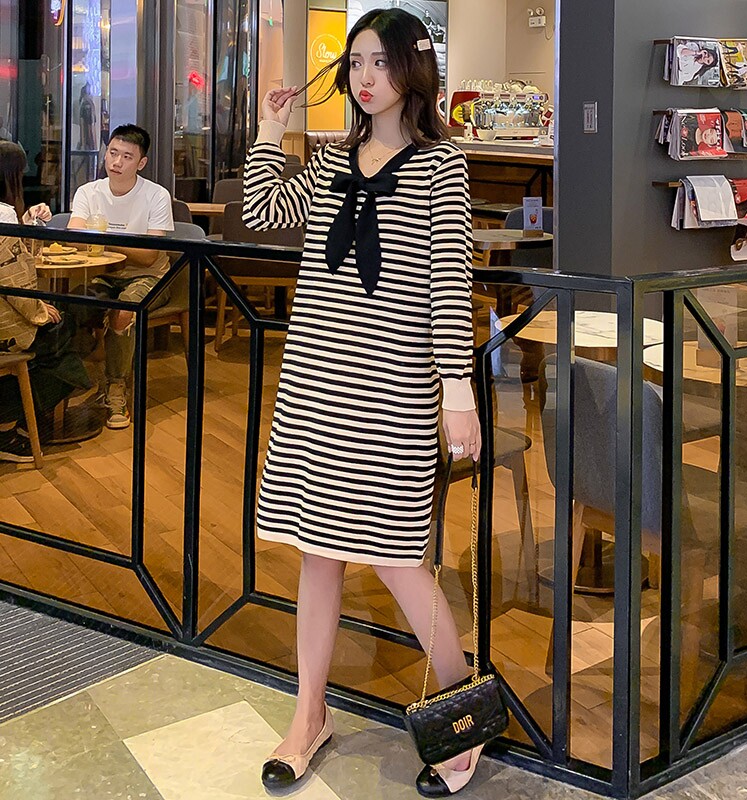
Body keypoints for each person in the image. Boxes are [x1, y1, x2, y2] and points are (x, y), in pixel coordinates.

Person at [243, 8, 482, 798]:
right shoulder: (330, 158)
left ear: (413, 68)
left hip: (392, 392)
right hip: (315, 384)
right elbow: (263, 211)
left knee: (399, 559)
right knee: (317, 554)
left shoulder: (443, 165)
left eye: (380, 61)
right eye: (355, 63)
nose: (365, 77)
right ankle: (308, 715)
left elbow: (448, 288)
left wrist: (457, 396)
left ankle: (463, 714)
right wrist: (270, 130)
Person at [67, 124, 174, 429]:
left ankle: (116, 390)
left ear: (141, 163)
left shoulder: (156, 195)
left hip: (149, 278)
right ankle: (72, 377)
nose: (116, 162)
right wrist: (113, 242)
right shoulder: (88, 191)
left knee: (124, 311)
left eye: (127, 156)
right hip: (105, 275)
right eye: (112, 153)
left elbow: (149, 255)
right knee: (70, 305)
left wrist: (103, 238)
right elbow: (74, 237)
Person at [0, 141, 91, 461]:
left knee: (57, 341)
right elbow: (15, 283)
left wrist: (26, 222)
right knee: (66, 331)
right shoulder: (4, 215)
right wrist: (40, 311)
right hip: (4, 329)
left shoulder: (8, 217)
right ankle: (7, 425)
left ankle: (20, 420)